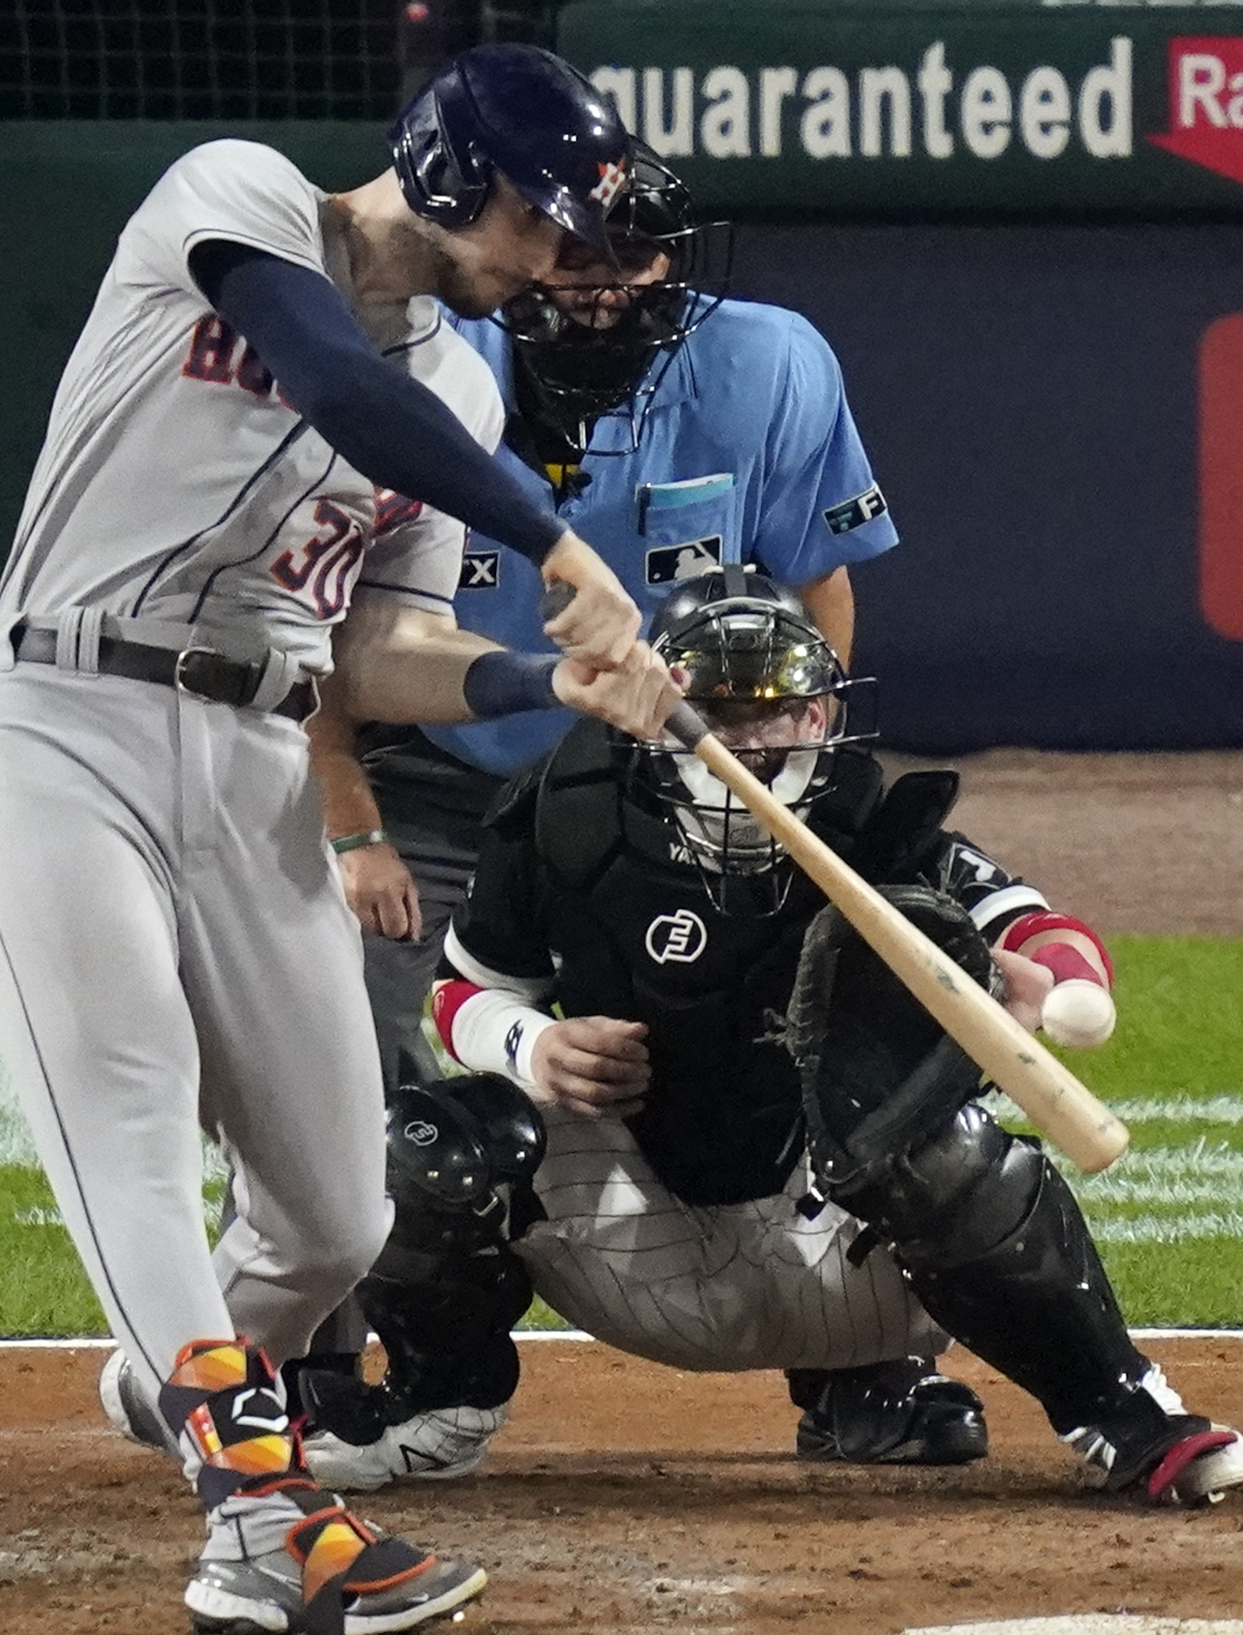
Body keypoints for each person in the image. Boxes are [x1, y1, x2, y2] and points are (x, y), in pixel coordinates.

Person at [0, 44, 681, 1635]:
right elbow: (336, 380)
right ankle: (260, 1523)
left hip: (255, 760)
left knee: (337, 1215)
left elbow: (374, 658)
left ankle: (180, 1376)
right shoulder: (235, 197)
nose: (555, 259)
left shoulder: (470, 389)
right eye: (535, 219)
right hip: (64, 729)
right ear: (439, 172)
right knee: (127, 1100)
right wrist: (550, 537)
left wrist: (546, 677)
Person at [302, 571, 1243, 1504]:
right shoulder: (566, 811)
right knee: (426, 1140)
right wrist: (534, 1047)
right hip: (637, 1245)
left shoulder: (872, 819)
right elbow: (463, 996)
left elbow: (1033, 927)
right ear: (657, 711)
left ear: (820, 717)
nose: (748, 742)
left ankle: (1125, 1414)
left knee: (948, 1145)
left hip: (840, 1254)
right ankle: (434, 1409)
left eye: (773, 714)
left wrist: (1060, 989)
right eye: (717, 714)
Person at [308, 147, 897, 1098]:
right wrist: (348, 821)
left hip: (665, 776)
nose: (607, 286)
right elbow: (314, 616)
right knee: (341, 1049)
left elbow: (815, 586)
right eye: (576, 256)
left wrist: (794, 772)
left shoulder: (768, 363)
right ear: (517, 250)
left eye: (637, 254)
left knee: (703, 1056)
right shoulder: (420, 363)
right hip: (443, 769)